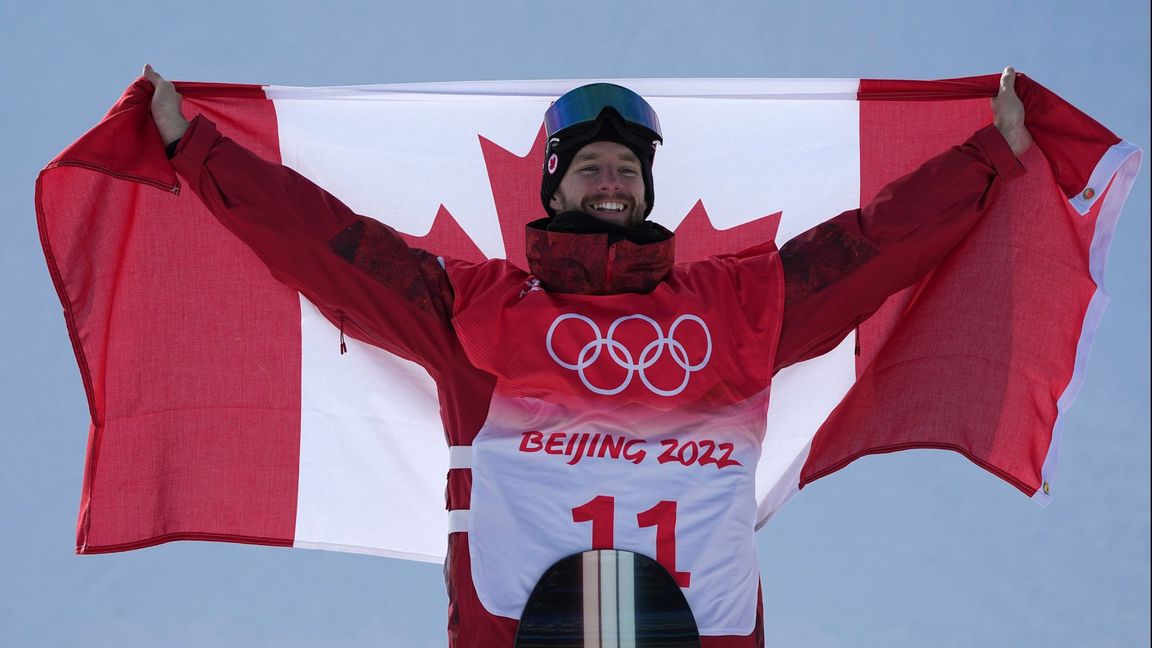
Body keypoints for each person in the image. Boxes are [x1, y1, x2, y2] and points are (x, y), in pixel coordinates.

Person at [143, 65, 1031, 647]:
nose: (613, 182)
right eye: (592, 167)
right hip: (521, 621)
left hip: (696, 624)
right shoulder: (480, 312)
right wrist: (200, 148)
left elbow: (870, 248)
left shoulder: (733, 306)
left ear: (646, 189)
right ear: (556, 183)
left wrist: (990, 156)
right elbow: (332, 246)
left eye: (627, 170)